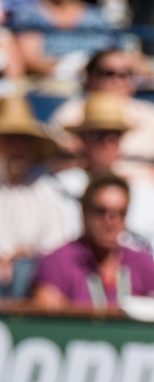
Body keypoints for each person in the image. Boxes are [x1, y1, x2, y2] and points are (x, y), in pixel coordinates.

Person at [54, 91, 154, 265]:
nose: (108, 142)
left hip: (141, 284)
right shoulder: (61, 188)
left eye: (115, 135)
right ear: (82, 140)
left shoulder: (146, 191)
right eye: (98, 134)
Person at [29, 174, 154, 309]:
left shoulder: (144, 262)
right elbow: (47, 314)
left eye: (120, 213)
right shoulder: (58, 261)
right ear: (84, 212)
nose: (110, 222)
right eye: (101, 212)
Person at [49, 48, 154, 190]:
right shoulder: (71, 112)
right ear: (91, 77)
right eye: (108, 73)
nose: (116, 80)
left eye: (124, 74)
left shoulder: (149, 113)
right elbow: (58, 161)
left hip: (144, 189)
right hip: (87, 189)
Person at [0, 96, 77, 286]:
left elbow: (56, 249)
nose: (18, 149)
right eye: (10, 140)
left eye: (24, 141)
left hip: (33, 284)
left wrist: (29, 259)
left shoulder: (46, 192)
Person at [8, 0, 117, 79]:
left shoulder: (96, 16)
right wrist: (66, 68)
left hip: (93, 80)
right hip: (48, 81)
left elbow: (108, 54)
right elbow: (31, 59)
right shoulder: (30, 14)